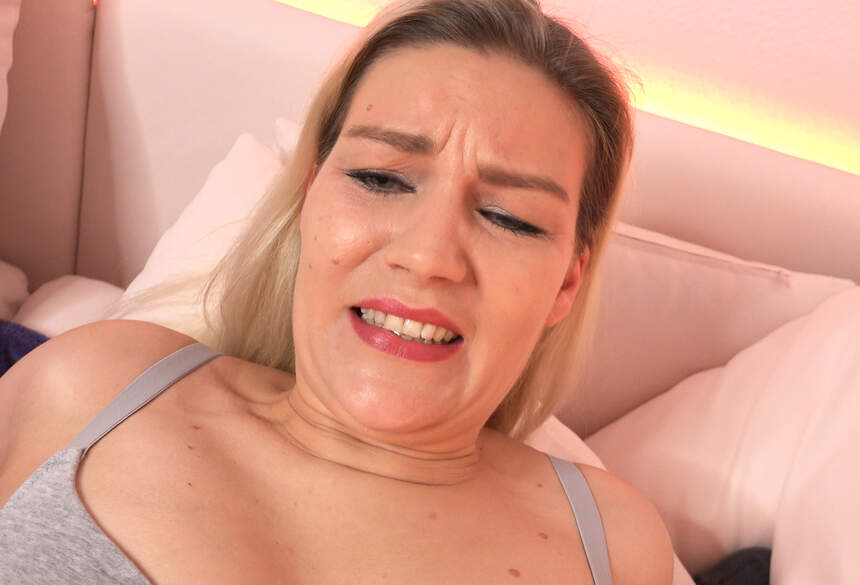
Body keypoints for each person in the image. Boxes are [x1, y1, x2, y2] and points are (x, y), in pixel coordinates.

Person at [0, 1, 674, 583]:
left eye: (509, 218)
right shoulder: (90, 382)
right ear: (308, 196)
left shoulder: (613, 543)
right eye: (381, 178)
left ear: (566, 283)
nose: (427, 256)